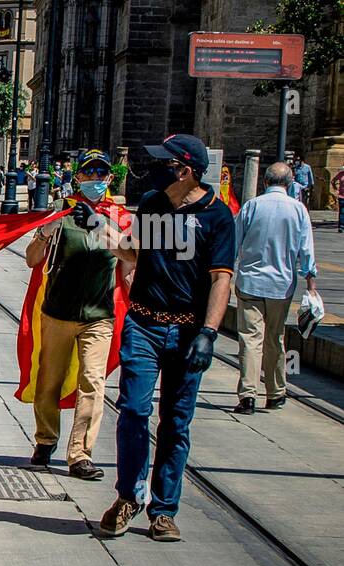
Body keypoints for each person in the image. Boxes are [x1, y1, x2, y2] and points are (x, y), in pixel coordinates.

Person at [99, 134, 235, 542]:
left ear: (185, 170)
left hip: (188, 329)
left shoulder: (217, 217)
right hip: (144, 323)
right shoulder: (156, 205)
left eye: (165, 163)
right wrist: (115, 244)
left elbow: (221, 279)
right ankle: (128, 496)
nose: (155, 169)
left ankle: (163, 510)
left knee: (176, 421)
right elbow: (138, 253)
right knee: (135, 410)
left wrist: (208, 333)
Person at [24, 149, 131, 481]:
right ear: (78, 178)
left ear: (110, 179)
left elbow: (131, 259)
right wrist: (46, 231)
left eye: (102, 174)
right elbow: (31, 259)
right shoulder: (62, 213)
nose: (96, 180)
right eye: (90, 174)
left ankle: (80, 454)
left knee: (92, 382)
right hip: (58, 312)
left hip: (99, 315)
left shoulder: (120, 217)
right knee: (48, 382)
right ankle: (45, 439)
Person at [231, 162, 318, 414]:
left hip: (250, 283)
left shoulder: (251, 206)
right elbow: (306, 251)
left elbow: (234, 245)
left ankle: (248, 395)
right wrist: (311, 286)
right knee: (275, 339)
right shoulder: (298, 210)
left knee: (249, 339)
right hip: (281, 286)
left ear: (265, 182)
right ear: (290, 184)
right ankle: (276, 392)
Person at [333, 164, 344, 233]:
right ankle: (341, 227)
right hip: (341, 196)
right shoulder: (340, 174)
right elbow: (333, 181)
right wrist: (336, 189)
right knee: (342, 212)